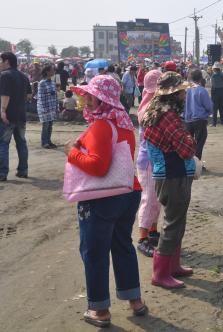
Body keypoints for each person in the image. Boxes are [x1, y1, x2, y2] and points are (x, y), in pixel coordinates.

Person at [68, 75, 147, 327]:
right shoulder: (123, 123)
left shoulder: (103, 126)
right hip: (128, 191)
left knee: (94, 252)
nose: (87, 100)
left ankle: (99, 310)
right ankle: (135, 300)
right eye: (87, 95)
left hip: (103, 198)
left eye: (93, 96)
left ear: (105, 99)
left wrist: (72, 154)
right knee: (122, 245)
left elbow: (98, 166)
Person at [142, 72, 197, 289]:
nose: (185, 94)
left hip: (165, 175)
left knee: (175, 221)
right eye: (182, 91)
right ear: (173, 94)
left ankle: (173, 266)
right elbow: (186, 150)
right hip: (174, 176)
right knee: (173, 224)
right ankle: (161, 273)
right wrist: (190, 139)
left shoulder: (155, 113)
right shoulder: (170, 118)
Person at [136, 69, 162, 257]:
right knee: (149, 198)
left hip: (156, 159)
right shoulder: (148, 108)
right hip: (148, 161)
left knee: (156, 198)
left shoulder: (153, 104)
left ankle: (152, 231)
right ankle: (142, 238)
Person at [0, 52, 32, 181]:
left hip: (8, 115)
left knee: (3, 143)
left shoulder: (4, 75)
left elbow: (5, 95)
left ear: (7, 61)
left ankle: (2, 173)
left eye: (0, 60)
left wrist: (3, 110)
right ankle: (23, 170)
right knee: (21, 143)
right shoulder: (24, 76)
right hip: (21, 114)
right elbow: (29, 96)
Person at [184, 69, 213, 160]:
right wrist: (209, 113)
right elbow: (209, 106)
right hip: (200, 120)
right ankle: (196, 163)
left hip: (187, 120)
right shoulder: (202, 90)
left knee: (188, 143)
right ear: (200, 78)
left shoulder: (185, 90)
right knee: (199, 143)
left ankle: (190, 163)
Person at [37, 64, 59, 149]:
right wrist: (44, 109)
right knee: (45, 126)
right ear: (47, 72)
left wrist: (56, 107)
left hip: (52, 107)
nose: (54, 71)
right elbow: (41, 97)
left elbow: (55, 96)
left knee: (50, 125)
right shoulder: (42, 83)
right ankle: (44, 142)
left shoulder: (52, 82)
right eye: (52, 70)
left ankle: (49, 141)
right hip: (45, 108)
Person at [210, 62, 223, 127]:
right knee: (222, 108)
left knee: (214, 108)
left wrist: (212, 95)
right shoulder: (222, 75)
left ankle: (214, 123)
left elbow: (212, 86)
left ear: (214, 69)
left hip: (215, 92)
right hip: (222, 92)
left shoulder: (213, 76)